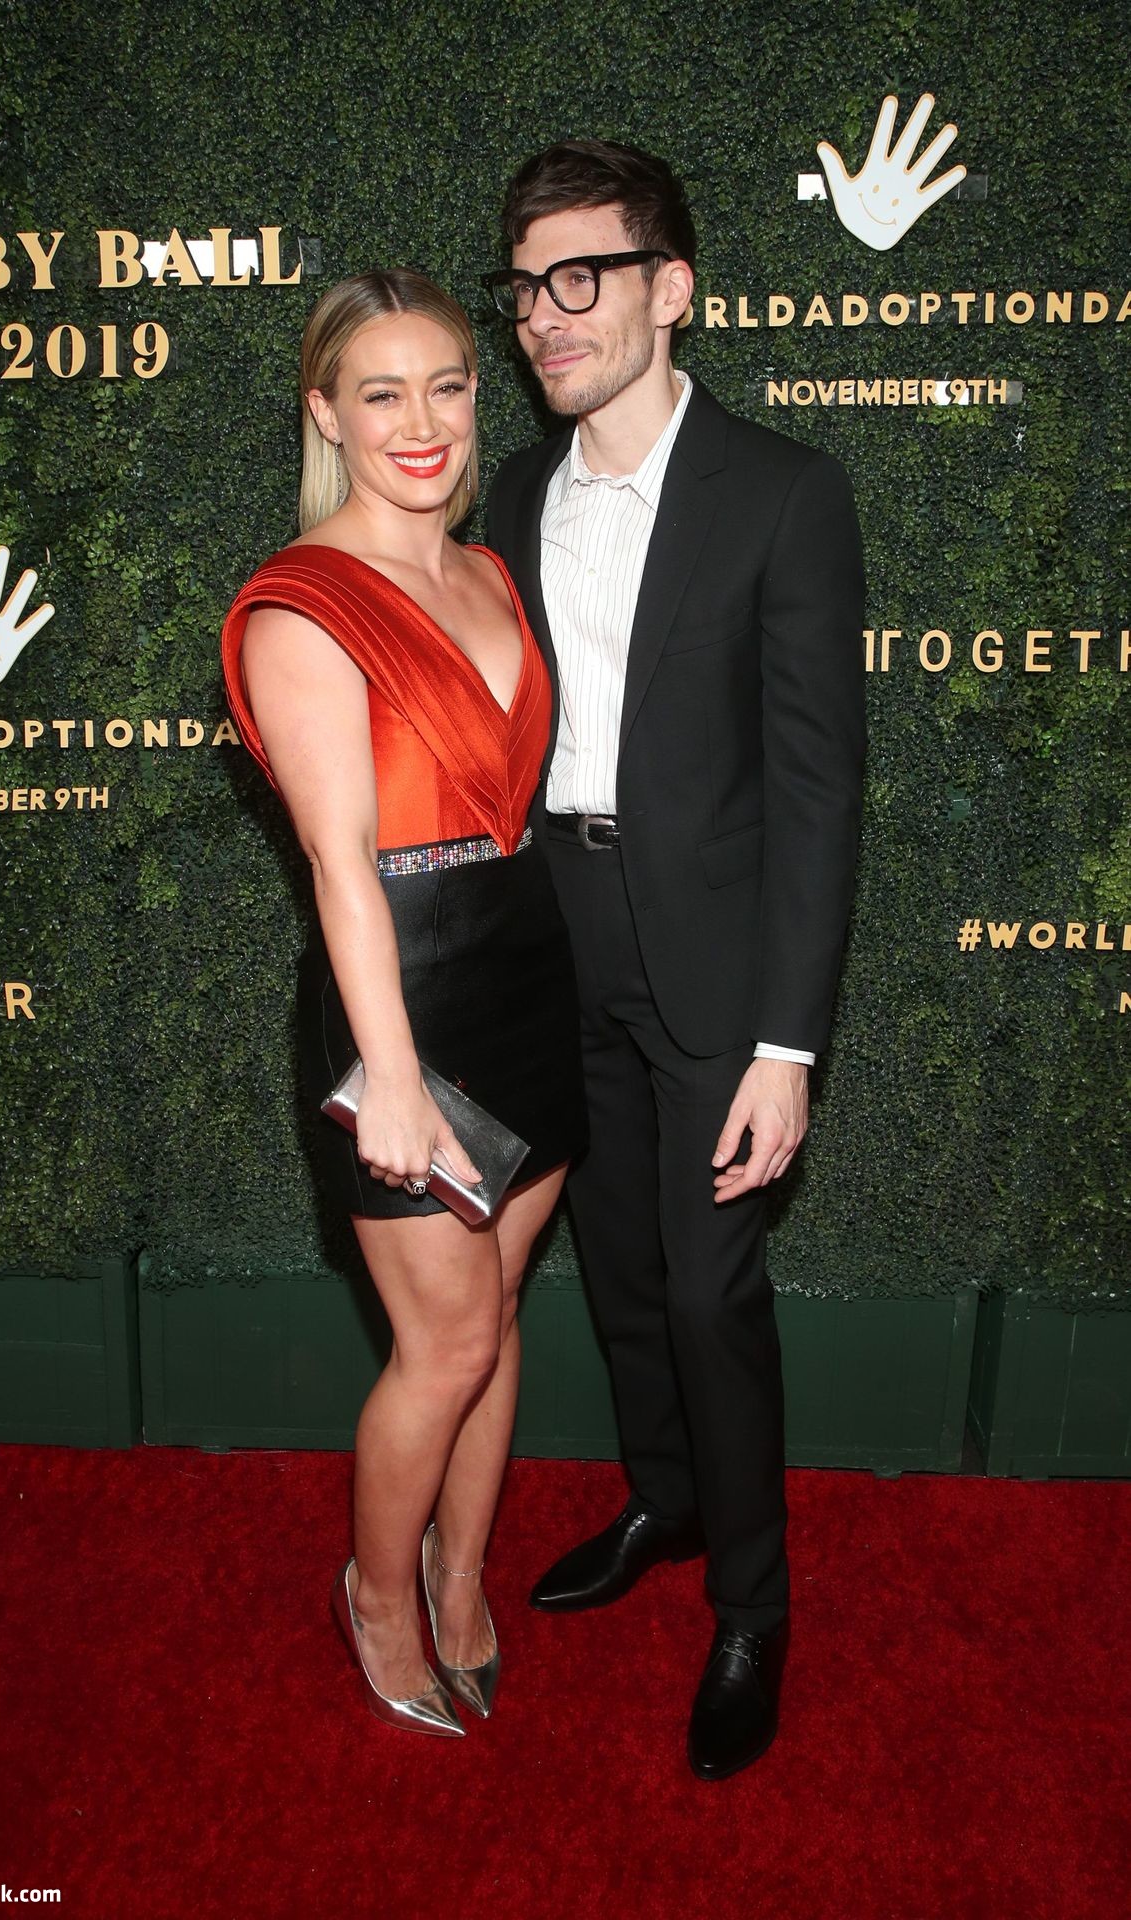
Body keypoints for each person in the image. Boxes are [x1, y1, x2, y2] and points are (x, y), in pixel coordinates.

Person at [482, 140, 866, 1779]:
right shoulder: (512, 495)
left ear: (673, 288)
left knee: (711, 1292)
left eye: (584, 276)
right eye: (527, 286)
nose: (547, 315)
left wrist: (789, 1043)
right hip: (557, 944)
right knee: (624, 1268)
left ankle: (754, 1607)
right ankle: (666, 1497)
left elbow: (817, 787)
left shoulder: (782, 491)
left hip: (717, 966)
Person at [220, 270, 585, 1738]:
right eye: (381, 393)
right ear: (327, 414)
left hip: (531, 973)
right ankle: (377, 1596)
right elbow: (340, 867)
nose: (421, 421)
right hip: (406, 1000)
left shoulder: (492, 572)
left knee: (496, 1316)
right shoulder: (301, 606)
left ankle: (460, 1572)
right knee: (444, 1345)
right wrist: (390, 1074)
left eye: (446, 384)